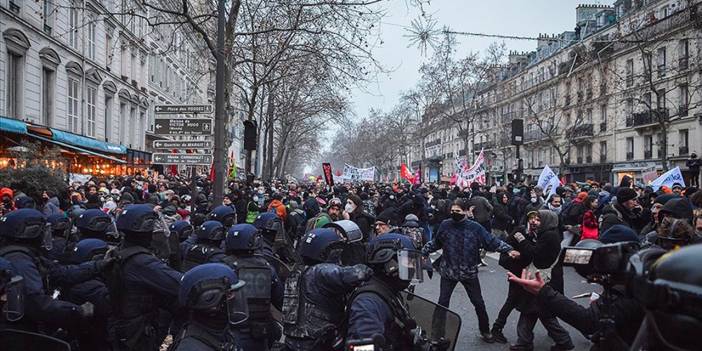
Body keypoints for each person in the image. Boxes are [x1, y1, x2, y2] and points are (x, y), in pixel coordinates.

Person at [421, 198, 519, 342]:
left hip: (469, 272)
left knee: (478, 303)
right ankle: (436, 335)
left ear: (467, 211)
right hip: (449, 271)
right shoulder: (445, 225)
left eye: (458, 211)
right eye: (453, 211)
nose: (455, 213)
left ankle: (485, 331)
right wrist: (424, 252)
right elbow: (436, 242)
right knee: (442, 303)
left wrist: (508, 250)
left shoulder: (475, 227)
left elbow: (491, 241)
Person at [0, 208, 100, 331]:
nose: (45, 234)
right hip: (20, 331)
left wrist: (98, 266)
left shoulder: (27, 254)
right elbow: (36, 303)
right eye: (42, 230)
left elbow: (61, 273)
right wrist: (77, 310)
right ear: (31, 231)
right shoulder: (19, 260)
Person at [282, 228, 373, 351]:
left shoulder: (296, 271)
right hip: (317, 342)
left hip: (292, 340)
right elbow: (357, 274)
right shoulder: (321, 271)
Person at [106, 204, 182, 351]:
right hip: (137, 332)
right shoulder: (142, 262)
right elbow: (178, 284)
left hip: (122, 326)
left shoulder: (119, 251)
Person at [509, 210, 573, 351]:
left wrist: (522, 240)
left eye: (539, 219)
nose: (535, 222)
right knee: (533, 311)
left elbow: (534, 253)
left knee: (539, 312)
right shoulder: (548, 234)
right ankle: (525, 341)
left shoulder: (549, 235)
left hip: (543, 279)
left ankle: (562, 341)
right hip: (545, 279)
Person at [346, 233, 423, 350]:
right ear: (387, 261)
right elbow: (363, 347)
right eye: (408, 262)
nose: (412, 267)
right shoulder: (368, 304)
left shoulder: (389, 290)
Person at [221, 223, 284, 350]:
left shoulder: (223, 266)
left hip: (229, 330)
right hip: (259, 332)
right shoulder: (267, 267)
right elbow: (280, 300)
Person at [171, 263, 248, 351]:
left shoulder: (220, 331)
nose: (235, 297)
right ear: (208, 299)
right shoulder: (191, 347)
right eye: (230, 294)